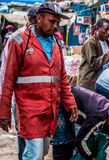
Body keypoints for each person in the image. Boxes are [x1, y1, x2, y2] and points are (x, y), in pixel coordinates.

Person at [0, 3, 78, 160]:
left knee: (41, 152)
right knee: (34, 154)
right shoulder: (19, 41)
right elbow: (7, 80)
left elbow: (62, 77)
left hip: (50, 110)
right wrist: (4, 112)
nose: (56, 26)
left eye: (58, 23)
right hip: (29, 111)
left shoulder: (56, 43)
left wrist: (71, 103)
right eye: (52, 21)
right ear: (39, 18)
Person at [51, 86, 109, 160]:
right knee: (61, 141)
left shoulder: (108, 107)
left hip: (69, 100)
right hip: (61, 100)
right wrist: (91, 157)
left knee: (70, 140)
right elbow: (80, 141)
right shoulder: (99, 116)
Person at [0, 6, 39, 160]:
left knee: (38, 144)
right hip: (22, 101)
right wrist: (4, 112)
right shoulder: (16, 38)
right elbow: (5, 75)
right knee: (25, 139)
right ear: (32, 20)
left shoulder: (49, 38)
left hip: (42, 101)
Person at [78, 18, 109, 91]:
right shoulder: (90, 43)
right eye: (106, 29)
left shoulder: (106, 42)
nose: (108, 32)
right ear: (97, 28)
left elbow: (108, 62)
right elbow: (94, 64)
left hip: (101, 82)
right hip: (89, 84)